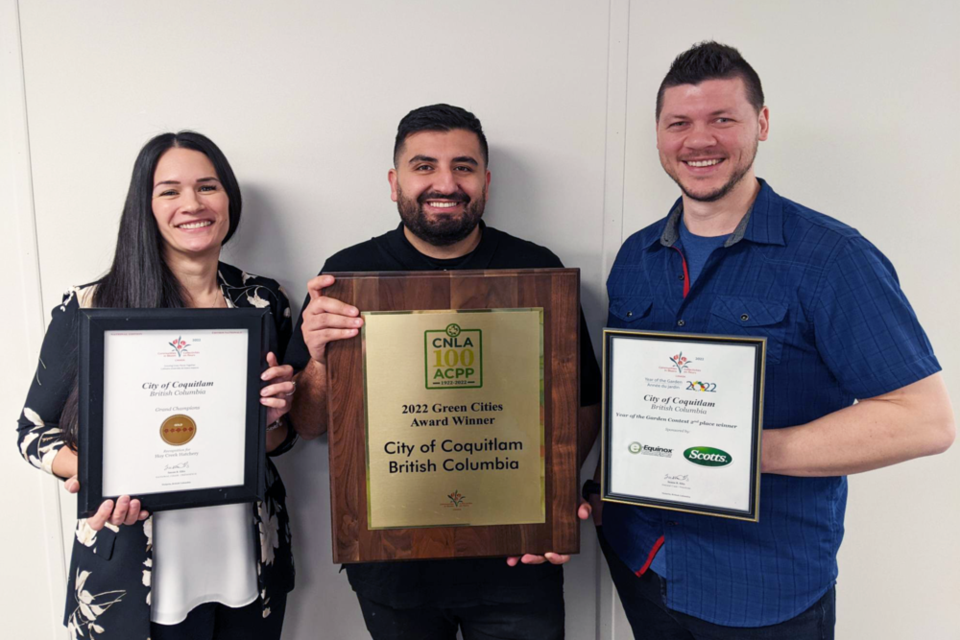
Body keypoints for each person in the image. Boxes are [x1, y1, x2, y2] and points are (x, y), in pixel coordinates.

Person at [592, 41, 955, 639]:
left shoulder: (833, 258)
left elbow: (924, 419)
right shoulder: (635, 257)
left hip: (761, 587)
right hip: (642, 560)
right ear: (659, 136)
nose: (698, 140)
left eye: (722, 119)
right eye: (679, 123)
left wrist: (739, 453)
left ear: (761, 123)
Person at [286, 104, 602, 640]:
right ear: (395, 182)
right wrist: (317, 360)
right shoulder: (347, 277)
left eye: (464, 166)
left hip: (517, 564)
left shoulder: (537, 272)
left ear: (485, 181)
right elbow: (310, 424)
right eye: (424, 166)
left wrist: (552, 499)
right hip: (393, 567)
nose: (445, 182)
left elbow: (583, 404)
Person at [16, 132, 297, 640]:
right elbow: (32, 433)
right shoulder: (89, 305)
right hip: (130, 569)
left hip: (248, 560)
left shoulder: (264, 302)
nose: (192, 203)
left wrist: (276, 419)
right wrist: (103, 478)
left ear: (228, 198)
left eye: (207, 186)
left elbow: (283, 438)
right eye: (169, 190)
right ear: (144, 208)